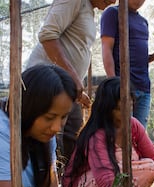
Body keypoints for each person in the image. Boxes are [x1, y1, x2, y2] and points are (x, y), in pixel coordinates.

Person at [62, 77, 154, 187]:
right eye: (119, 108)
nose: (126, 112)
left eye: (129, 105)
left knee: (150, 166)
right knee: (112, 176)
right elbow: (107, 183)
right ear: (107, 109)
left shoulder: (133, 125)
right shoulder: (97, 136)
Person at [27, 0, 116, 161]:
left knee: (73, 134)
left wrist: (78, 91)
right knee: (52, 136)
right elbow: (47, 35)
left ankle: (68, 181)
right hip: (47, 83)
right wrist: (73, 77)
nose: (114, 1)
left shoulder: (88, 9)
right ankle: (48, 179)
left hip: (65, 86)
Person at [100, 0, 154, 128]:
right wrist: (114, 82)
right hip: (123, 86)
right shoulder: (112, 13)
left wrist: (153, 57)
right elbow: (107, 48)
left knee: (139, 134)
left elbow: (135, 57)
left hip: (144, 88)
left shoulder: (143, 21)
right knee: (121, 133)